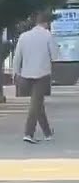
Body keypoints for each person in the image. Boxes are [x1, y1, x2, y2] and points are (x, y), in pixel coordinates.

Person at [13, 11, 60, 143]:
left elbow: (17, 57)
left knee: (37, 104)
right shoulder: (47, 35)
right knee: (36, 104)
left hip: (26, 75)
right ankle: (28, 133)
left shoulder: (23, 36)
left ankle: (47, 133)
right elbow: (55, 56)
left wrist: (15, 74)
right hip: (42, 74)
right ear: (47, 23)